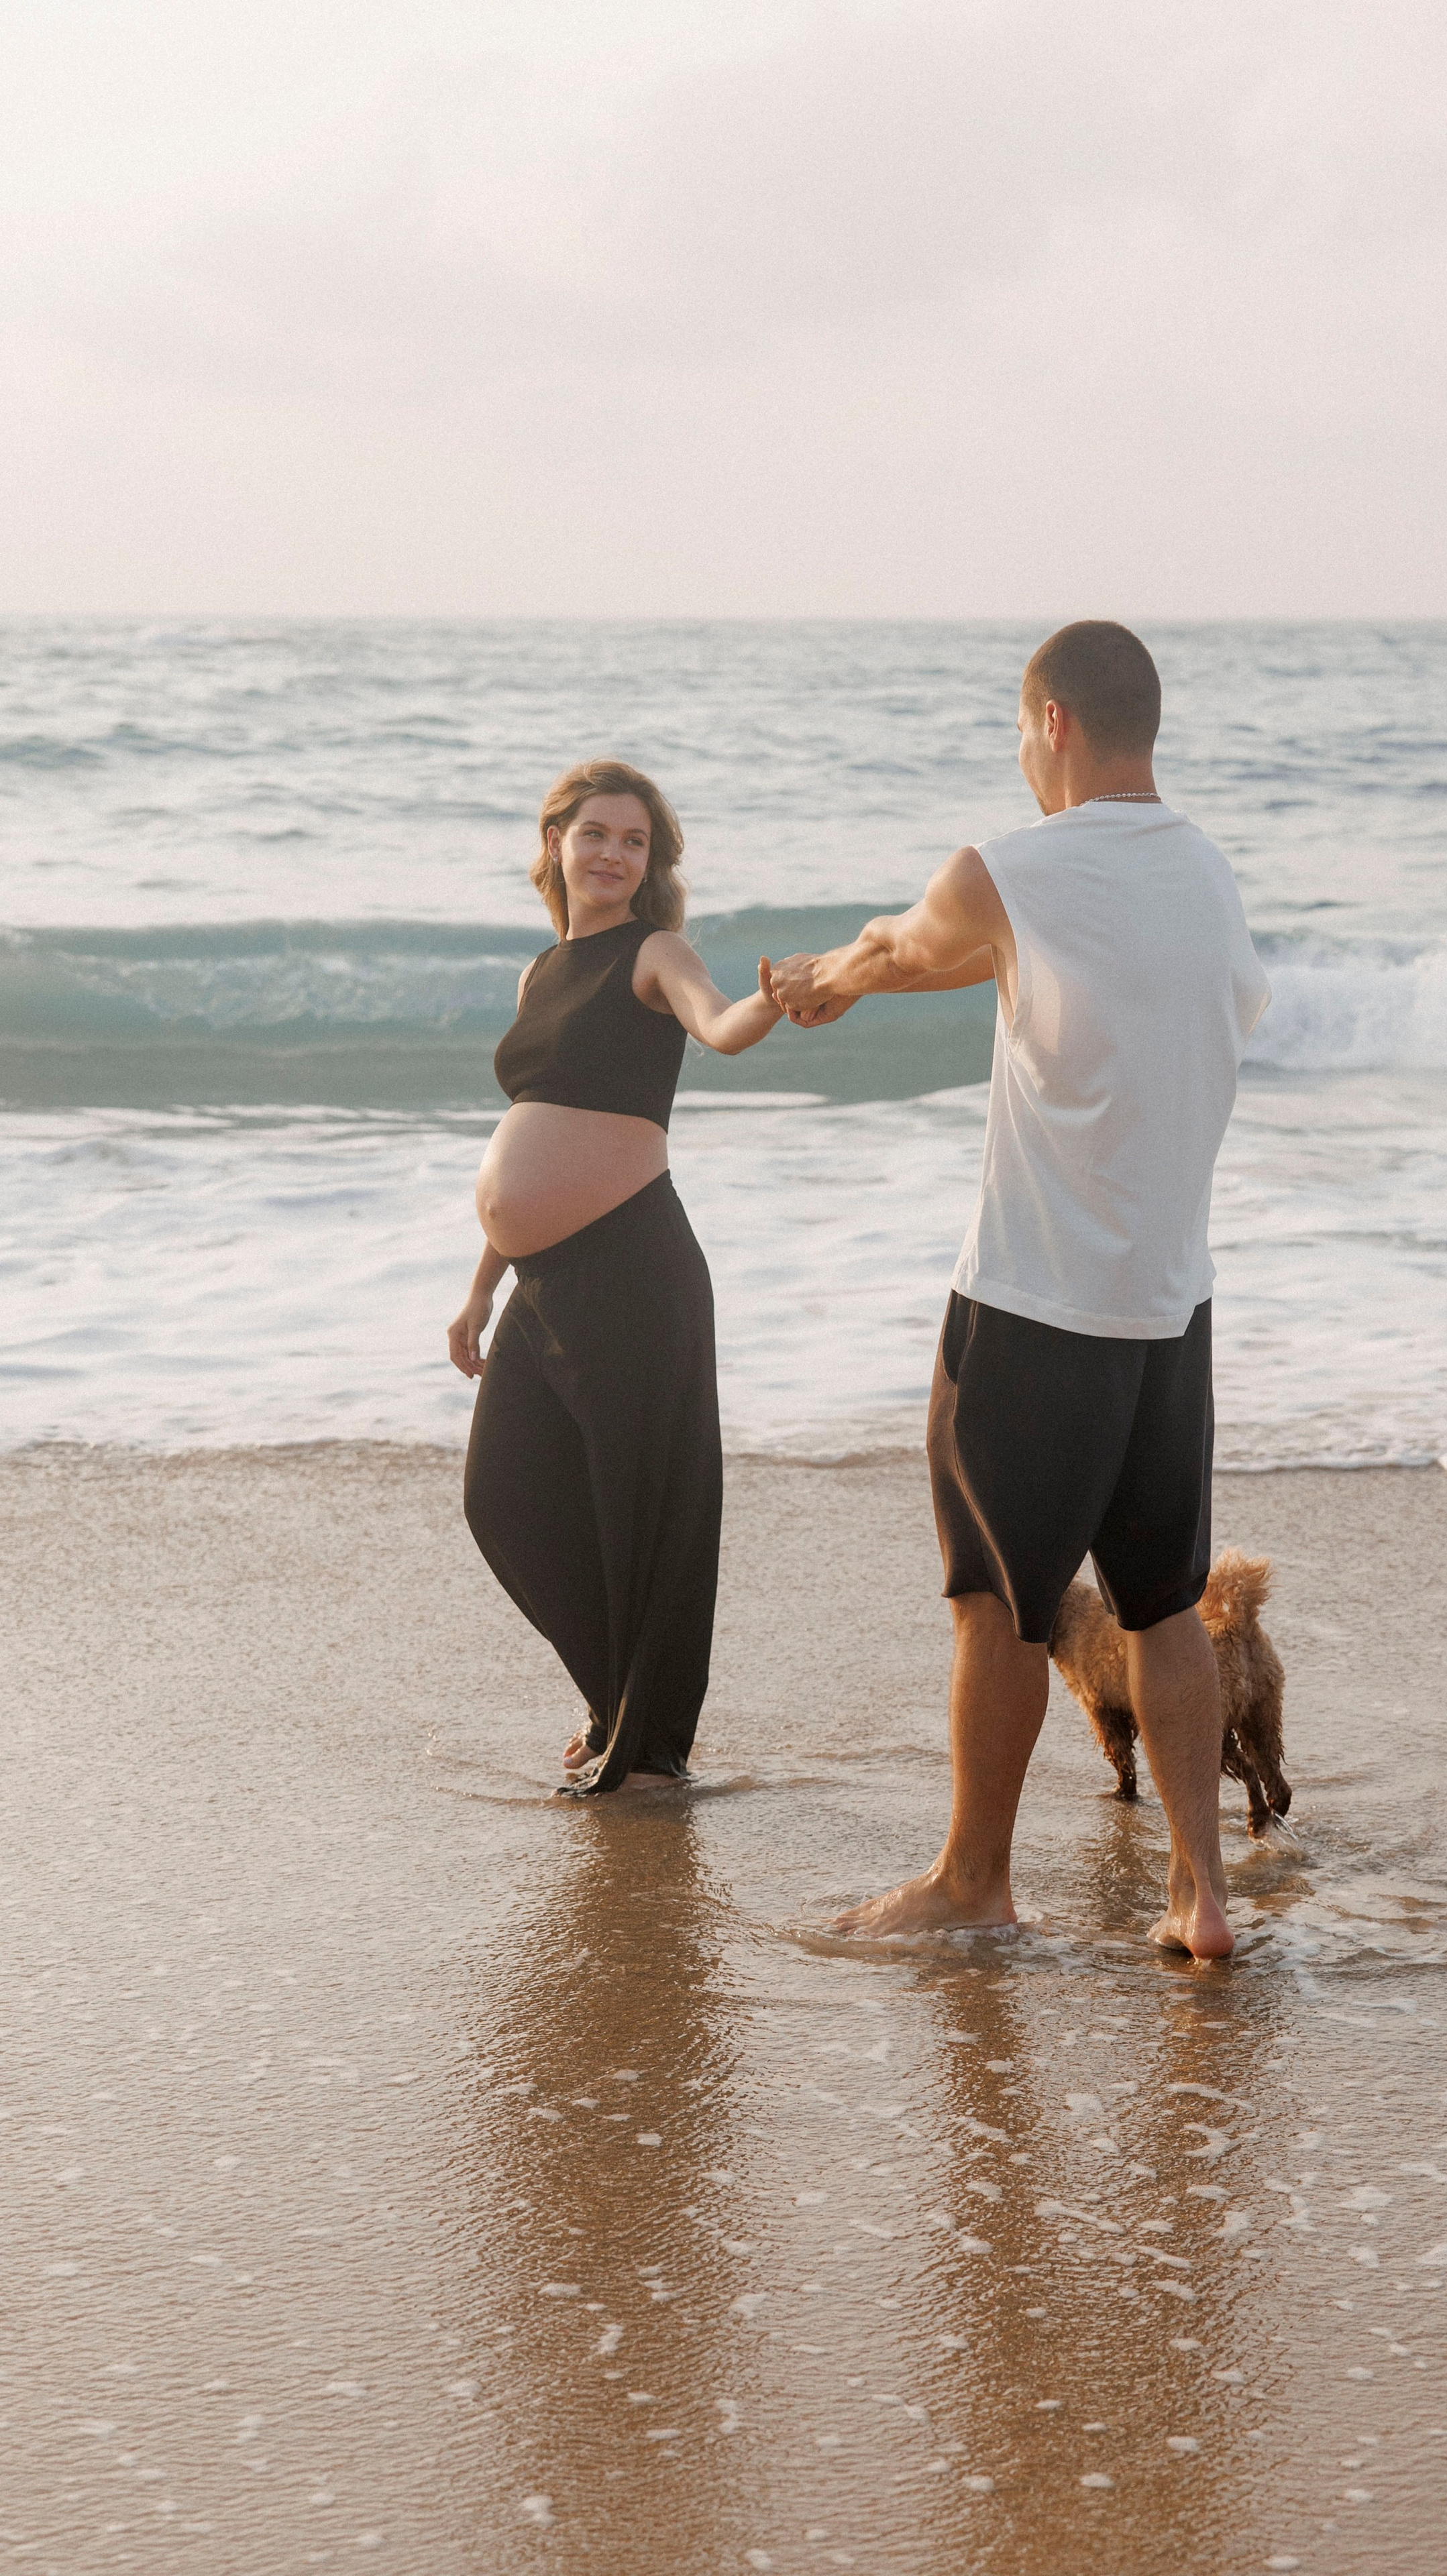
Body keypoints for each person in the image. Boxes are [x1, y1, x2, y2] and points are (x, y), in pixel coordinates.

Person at [769, 622, 1270, 1956]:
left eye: (1016, 729)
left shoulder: (1013, 865)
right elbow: (979, 955)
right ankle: (1197, 1895)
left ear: (1049, 721)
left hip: (1036, 1307)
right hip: (1169, 1309)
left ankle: (971, 1881)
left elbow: (907, 945)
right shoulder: (1209, 877)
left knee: (996, 1596)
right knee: (1162, 1605)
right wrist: (896, 963)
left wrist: (827, 979)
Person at [448, 759, 784, 1793]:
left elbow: (718, 1026)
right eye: (595, 833)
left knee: (645, 1510)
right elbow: (528, 1139)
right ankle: (614, 1704)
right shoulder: (539, 973)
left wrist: (771, 1001)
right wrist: (480, 1290)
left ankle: (649, 1755)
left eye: (634, 842)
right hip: (541, 1283)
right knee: (502, 1494)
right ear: (556, 840)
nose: (612, 854)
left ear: (651, 862)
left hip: (636, 1267)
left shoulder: (656, 953)